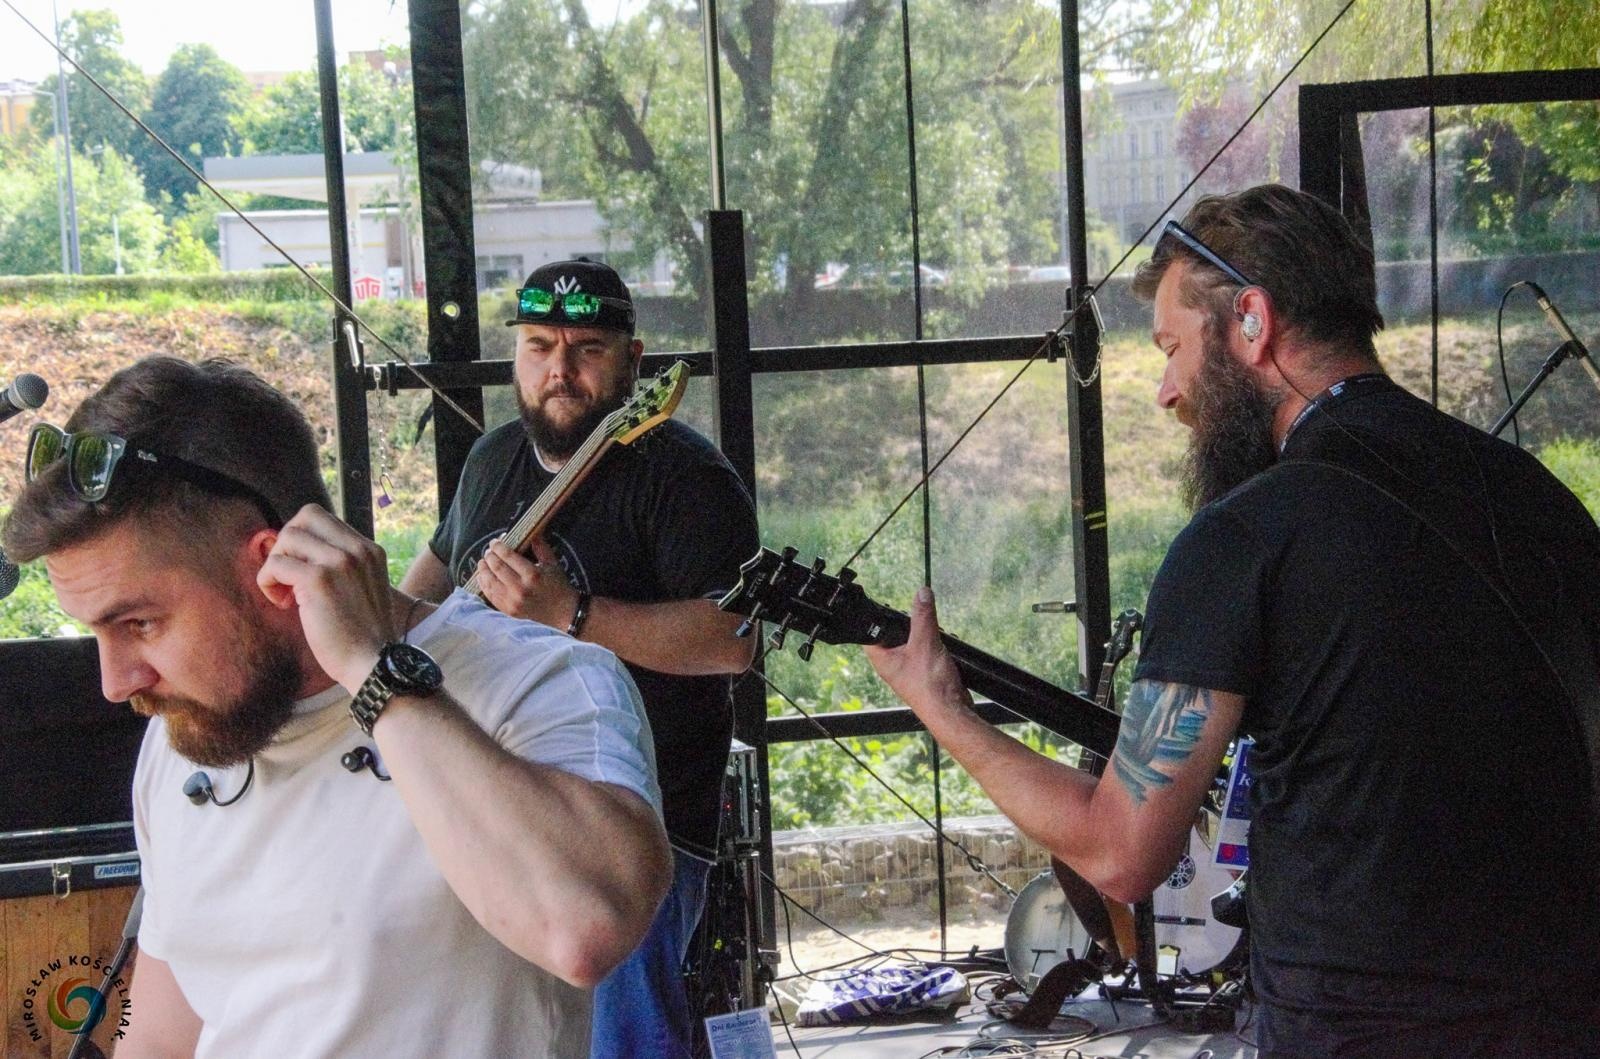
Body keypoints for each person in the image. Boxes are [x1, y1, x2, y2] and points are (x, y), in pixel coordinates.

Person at [866, 185, 1600, 1055]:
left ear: (1251, 321)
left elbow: (1119, 850)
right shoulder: (1538, 495)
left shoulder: (1245, 538)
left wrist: (944, 710)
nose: (1167, 394)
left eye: (1173, 349)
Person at [2, 356, 671, 1058]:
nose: (114, 681)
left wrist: (374, 670)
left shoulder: (536, 679)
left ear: (272, 567)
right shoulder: (182, 737)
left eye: (139, 623)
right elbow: (168, 1026)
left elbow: (584, 927)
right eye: (96, 631)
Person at [401, 257, 759, 1058]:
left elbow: (734, 640)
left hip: (637, 832)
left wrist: (572, 613)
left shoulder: (687, 478)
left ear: (634, 360)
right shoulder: (491, 462)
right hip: (495, 811)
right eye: (538, 346)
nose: (558, 370)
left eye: (586, 348)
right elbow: (424, 599)